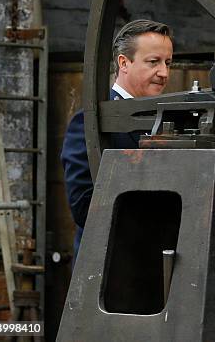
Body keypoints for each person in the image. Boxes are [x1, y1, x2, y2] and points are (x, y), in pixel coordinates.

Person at [61, 19, 174, 257]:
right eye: (153, 62)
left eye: (168, 63)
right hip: (110, 267)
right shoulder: (90, 123)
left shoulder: (165, 121)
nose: (163, 72)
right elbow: (85, 207)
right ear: (124, 63)